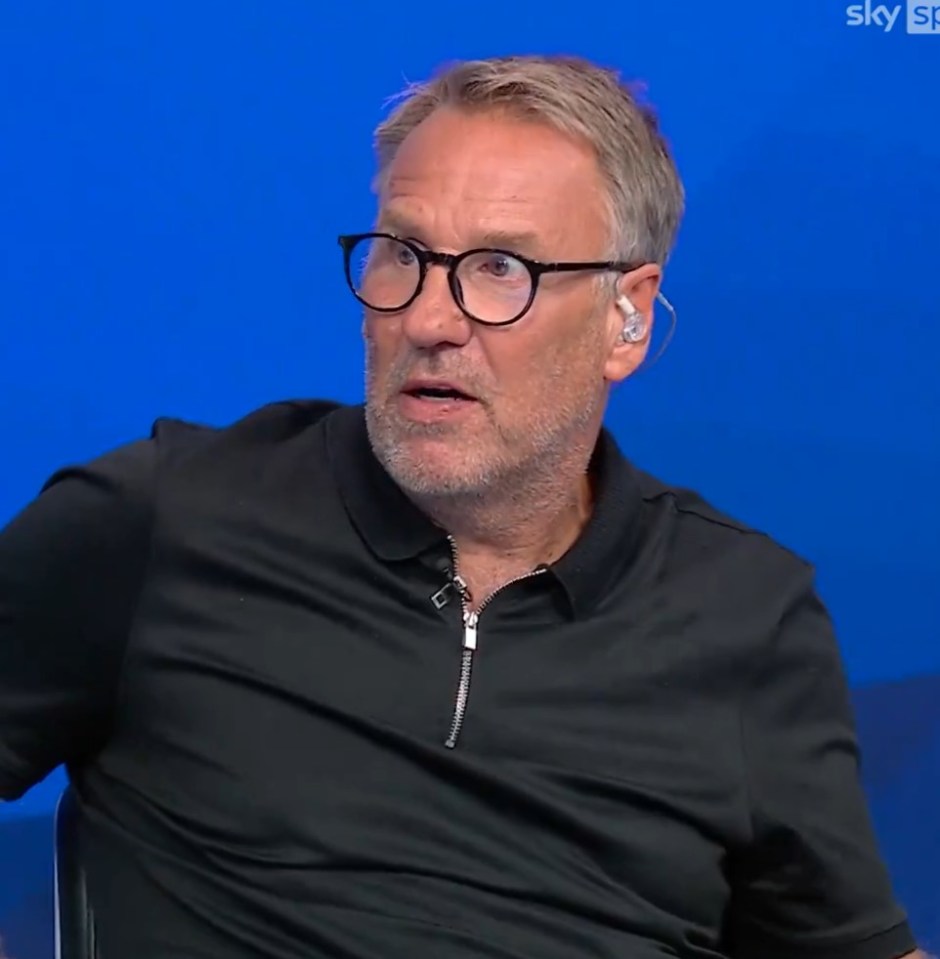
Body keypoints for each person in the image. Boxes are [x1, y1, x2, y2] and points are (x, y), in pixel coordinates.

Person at [0, 54, 925, 959]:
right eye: (403, 254)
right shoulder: (163, 519)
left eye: (499, 270)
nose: (430, 320)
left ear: (626, 317)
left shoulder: (745, 613)